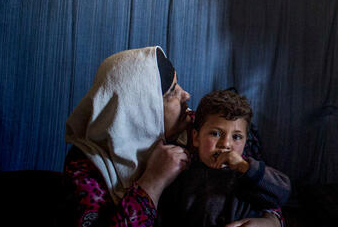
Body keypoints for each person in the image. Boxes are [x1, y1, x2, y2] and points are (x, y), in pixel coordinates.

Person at [63, 47, 193, 227]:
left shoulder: (195, 135)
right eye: (171, 91)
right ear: (139, 110)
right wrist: (153, 181)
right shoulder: (86, 167)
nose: (186, 95)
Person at [157, 89, 291, 227]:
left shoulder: (248, 173)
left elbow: (282, 194)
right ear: (196, 137)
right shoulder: (182, 173)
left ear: (246, 142)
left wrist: (244, 167)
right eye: (215, 133)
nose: (226, 144)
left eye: (237, 137)